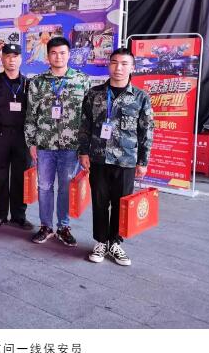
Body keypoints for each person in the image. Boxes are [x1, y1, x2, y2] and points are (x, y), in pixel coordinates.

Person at [78, 47, 154, 266]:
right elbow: (85, 125)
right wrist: (83, 152)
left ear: (132, 67)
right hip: (99, 158)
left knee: (121, 204)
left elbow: (146, 131)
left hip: (126, 160)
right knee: (100, 202)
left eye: (124, 64)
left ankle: (115, 242)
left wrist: (143, 161)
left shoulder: (140, 97)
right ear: (109, 65)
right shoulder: (94, 94)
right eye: (114, 62)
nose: (118, 68)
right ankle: (101, 242)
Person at [25, 36, 91, 246]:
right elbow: (30, 115)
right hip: (44, 145)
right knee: (44, 187)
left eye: (62, 53)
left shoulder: (82, 80)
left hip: (71, 147)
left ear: (69, 55)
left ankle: (63, 227)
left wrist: (84, 147)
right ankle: (46, 226)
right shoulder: (38, 82)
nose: (58, 57)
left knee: (65, 187)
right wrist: (31, 143)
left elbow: (87, 118)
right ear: (48, 56)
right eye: (53, 53)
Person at [0, 44, 33, 230]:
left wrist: (33, 141)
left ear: (21, 59)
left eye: (15, 56)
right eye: (8, 56)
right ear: (2, 59)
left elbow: (35, 114)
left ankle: (19, 215)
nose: (11, 60)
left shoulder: (28, 84)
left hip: (21, 137)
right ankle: (0, 214)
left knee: (20, 177)